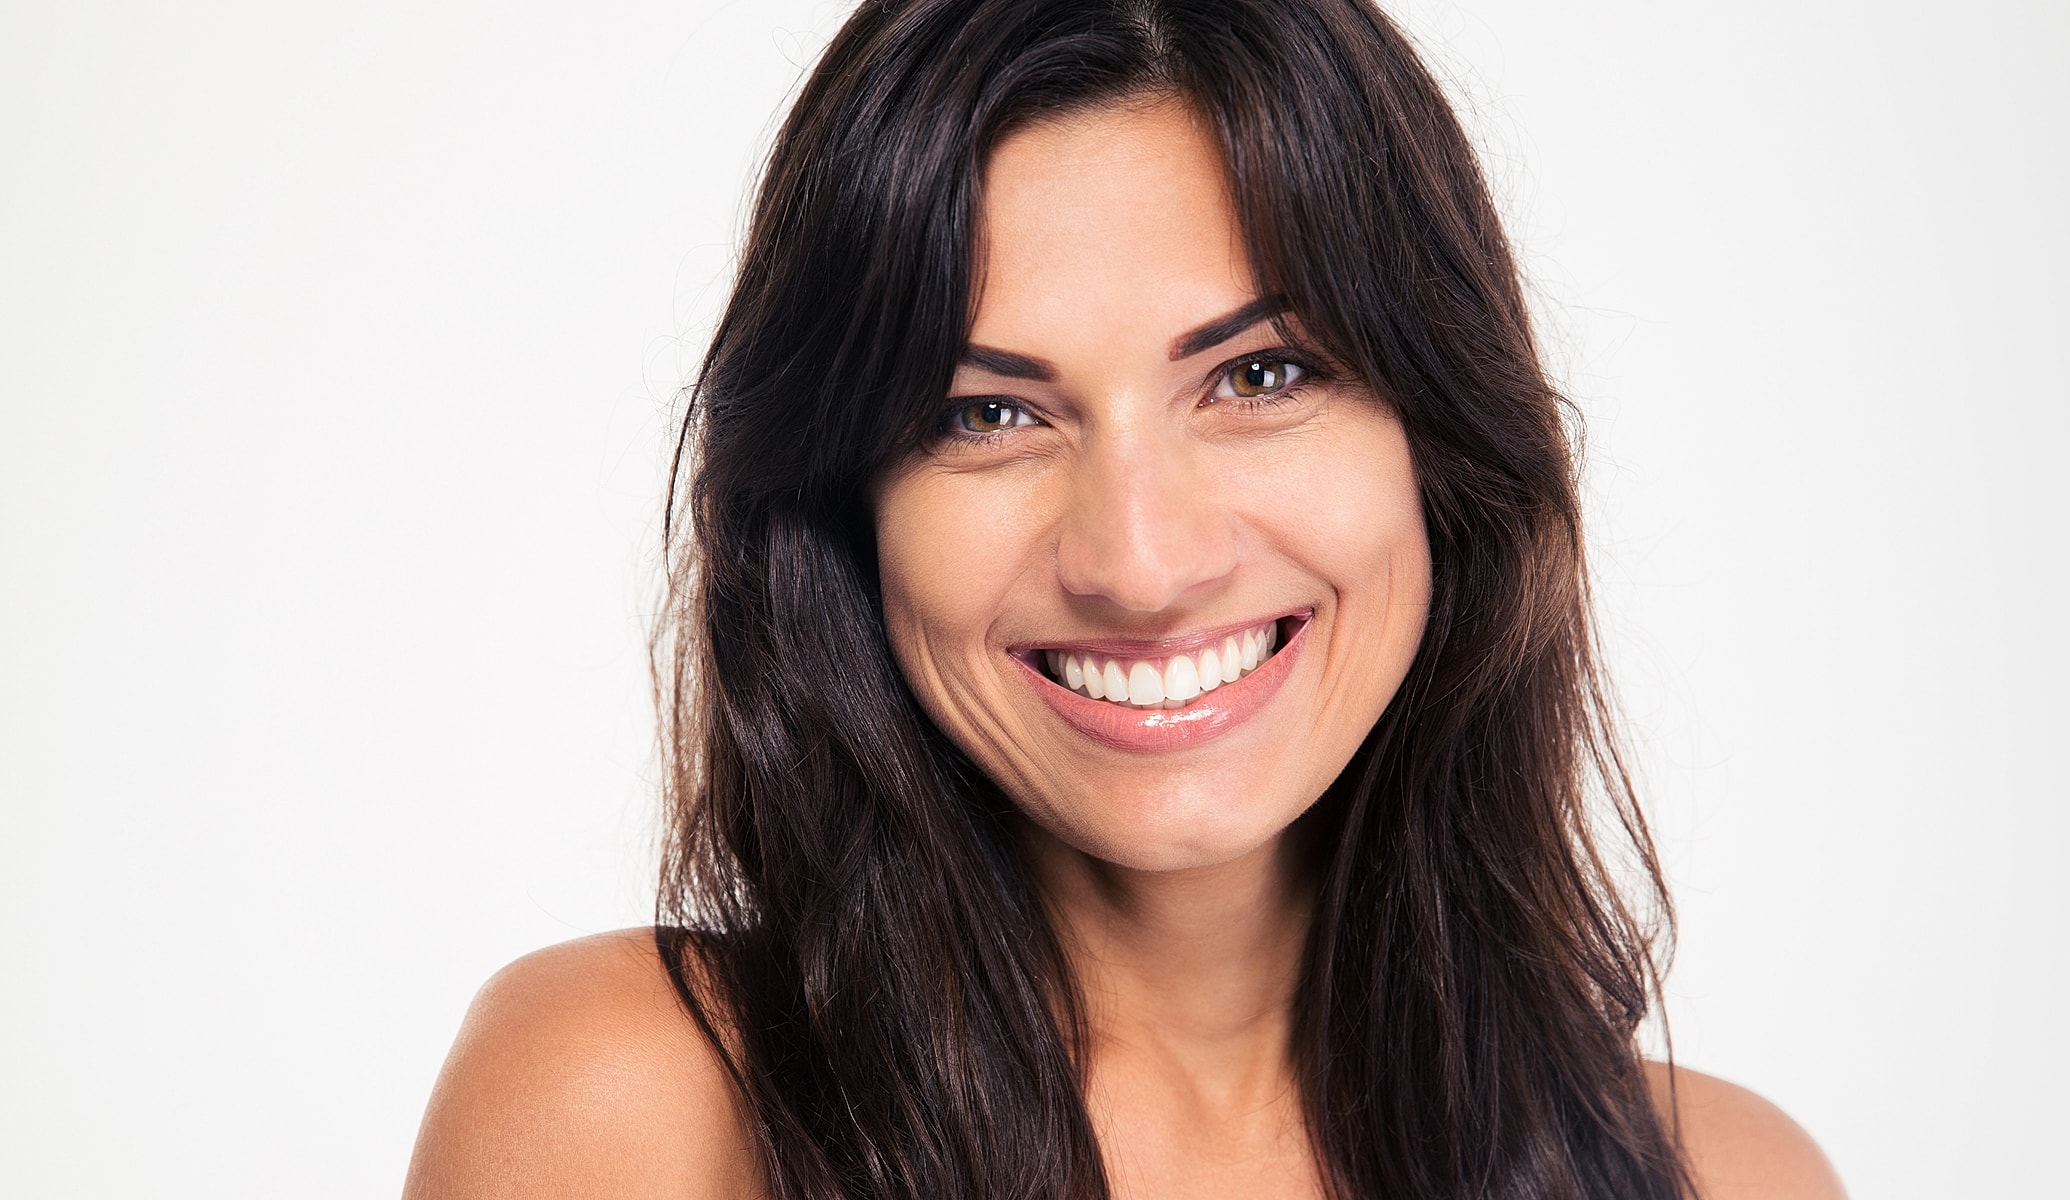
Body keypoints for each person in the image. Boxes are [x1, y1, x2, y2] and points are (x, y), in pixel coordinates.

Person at [403, 1, 1845, 1196]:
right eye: (985, 414)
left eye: (1260, 375)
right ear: (847, 518)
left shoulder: (1731, 1176)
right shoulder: (626, 1110)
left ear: (1440, 443)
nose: (1144, 564)